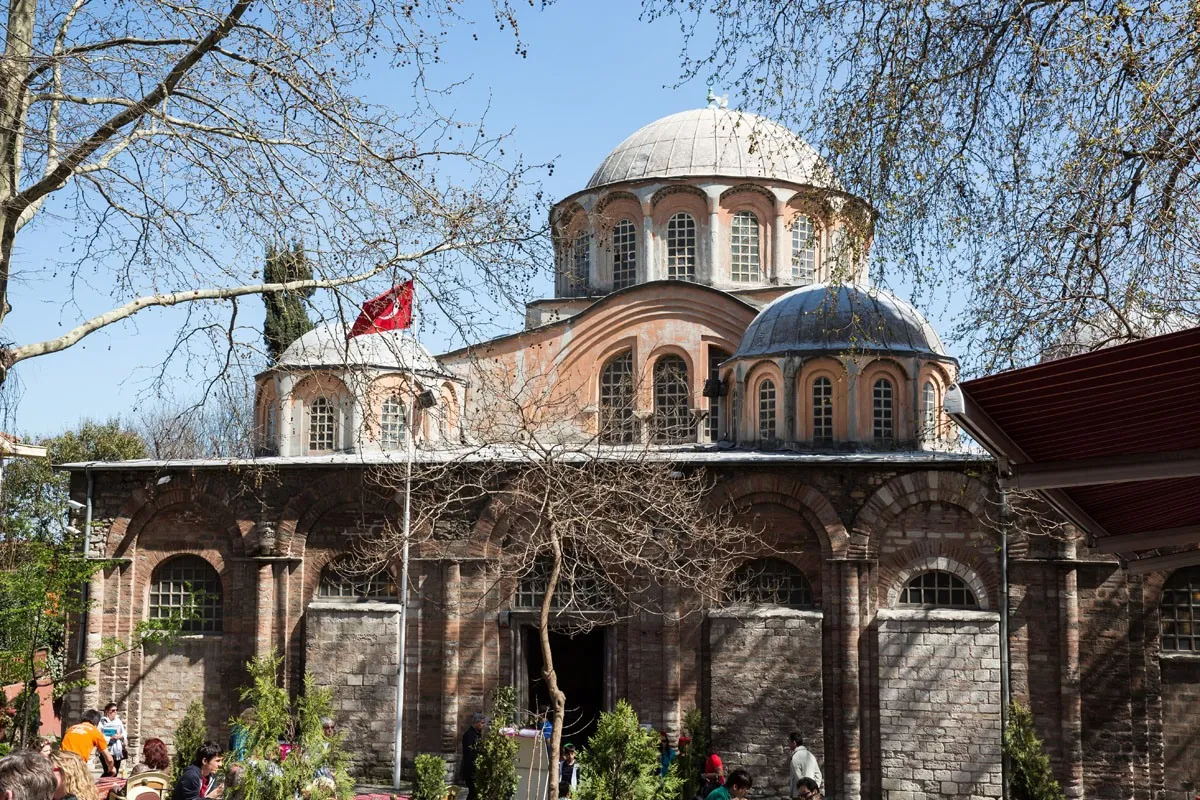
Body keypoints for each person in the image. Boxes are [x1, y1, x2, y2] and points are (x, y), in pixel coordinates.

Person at [60, 711, 113, 776]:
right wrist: (111, 768)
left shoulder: (71, 728)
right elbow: (109, 759)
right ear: (97, 723)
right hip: (76, 764)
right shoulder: (95, 732)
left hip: (61, 762)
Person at [786, 732, 822, 798]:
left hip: (799, 795)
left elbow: (799, 779)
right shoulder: (811, 755)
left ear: (794, 743)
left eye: (789, 742)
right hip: (811, 794)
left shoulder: (795, 758)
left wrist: (805, 792)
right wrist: (813, 789)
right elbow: (818, 775)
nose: (789, 745)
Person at [460, 713, 484, 800]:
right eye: (481, 723)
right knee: (474, 792)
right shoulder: (469, 735)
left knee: (475, 793)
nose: (483, 725)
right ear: (476, 723)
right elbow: (470, 753)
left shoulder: (477, 734)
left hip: (475, 770)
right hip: (470, 770)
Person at [98, 705, 126, 777]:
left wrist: (120, 736)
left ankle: (112, 786)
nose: (115, 712)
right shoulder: (102, 722)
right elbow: (98, 734)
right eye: (113, 710)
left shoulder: (118, 721)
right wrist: (109, 738)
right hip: (106, 749)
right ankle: (104, 785)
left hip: (117, 749)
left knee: (115, 770)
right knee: (108, 770)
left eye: (116, 710)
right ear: (107, 711)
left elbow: (124, 732)